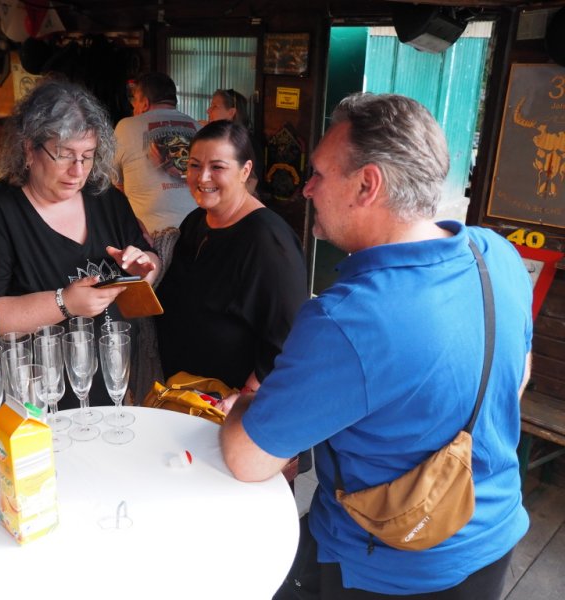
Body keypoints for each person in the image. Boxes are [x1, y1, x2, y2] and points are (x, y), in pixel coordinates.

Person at [220, 93, 533, 599]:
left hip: (386, 567)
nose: (306, 188)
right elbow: (518, 374)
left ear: (368, 185)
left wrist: (247, 403)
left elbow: (246, 460)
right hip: (492, 538)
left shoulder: (348, 318)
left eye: (319, 173)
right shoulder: (495, 253)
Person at [0, 78, 160, 409]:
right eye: (64, 155)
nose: (78, 171)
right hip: (40, 398)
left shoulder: (105, 197)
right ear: (29, 149)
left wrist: (145, 269)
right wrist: (64, 303)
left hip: (113, 385)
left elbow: (149, 259)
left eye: (88, 156)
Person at [156, 119, 308, 395]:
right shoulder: (195, 221)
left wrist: (245, 398)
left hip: (227, 405)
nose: (202, 177)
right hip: (182, 395)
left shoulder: (268, 241)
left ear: (244, 171)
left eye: (217, 167)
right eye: (194, 165)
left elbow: (288, 336)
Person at [114, 72, 201, 237]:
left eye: (135, 103)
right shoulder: (199, 128)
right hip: (198, 232)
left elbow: (116, 187)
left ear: (145, 103)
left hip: (148, 237)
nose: (133, 109)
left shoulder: (125, 127)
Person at [206, 88, 263, 196]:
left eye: (215, 106)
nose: (208, 111)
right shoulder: (215, 139)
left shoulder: (246, 143)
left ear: (231, 112)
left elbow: (251, 182)